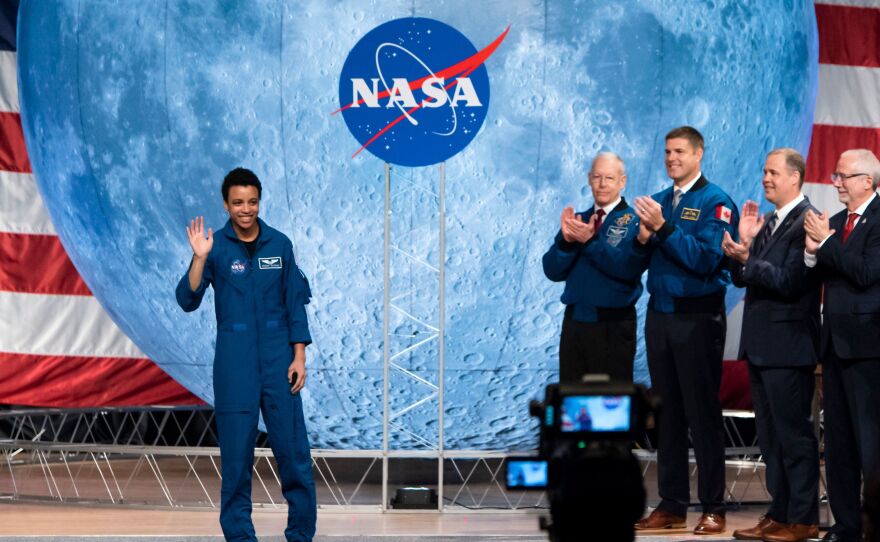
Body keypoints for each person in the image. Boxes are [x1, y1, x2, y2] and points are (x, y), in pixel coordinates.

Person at [175, 167, 316, 542]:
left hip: (278, 362)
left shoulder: (280, 245)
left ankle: (301, 534)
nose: (246, 209)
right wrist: (200, 258)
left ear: (259, 202)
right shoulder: (215, 246)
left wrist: (298, 356)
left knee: (294, 455)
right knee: (236, 461)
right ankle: (240, 536)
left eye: (252, 201)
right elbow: (187, 300)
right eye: (238, 202)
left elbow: (295, 304)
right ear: (226, 204)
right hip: (234, 365)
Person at [632, 126, 738, 535]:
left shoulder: (715, 202)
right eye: (667, 152)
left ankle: (714, 505)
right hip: (659, 317)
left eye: (679, 151)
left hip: (698, 319)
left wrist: (662, 229)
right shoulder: (659, 201)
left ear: (698, 154)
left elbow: (707, 260)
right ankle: (672, 505)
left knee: (702, 414)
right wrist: (641, 241)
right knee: (669, 415)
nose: (671, 158)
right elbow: (640, 260)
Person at [721, 148, 820, 542]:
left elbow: (792, 281)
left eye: (773, 172)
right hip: (761, 347)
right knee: (770, 437)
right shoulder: (772, 222)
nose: (765, 178)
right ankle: (779, 513)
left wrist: (750, 259)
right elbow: (744, 279)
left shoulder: (806, 221)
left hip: (789, 346)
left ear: (795, 177)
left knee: (794, 436)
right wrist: (742, 250)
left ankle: (803, 518)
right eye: (763, 171)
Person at [803, 149, 880, 542]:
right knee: (838, 444)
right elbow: (818, 270)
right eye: (835, 175)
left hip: (869, 350)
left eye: (843, 175)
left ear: (867, 180)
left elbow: (866, 273)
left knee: (872, 448)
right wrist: (812, 252)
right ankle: (846, 524)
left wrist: (827, 244)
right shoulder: (832, 223)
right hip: (832, 348)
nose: (836, 181)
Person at [541, 152, 646, 383]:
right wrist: (566, 243)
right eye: (597, 176)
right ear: (589, 179)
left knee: (609, 406)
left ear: (622, 181)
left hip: (612, 327)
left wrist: (590, 242)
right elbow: (552, 271)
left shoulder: (635, 220)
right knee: (573, 403)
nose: (601, 184)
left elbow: (626, 268)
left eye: (609, 178)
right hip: (575, 323)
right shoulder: (579, 220)